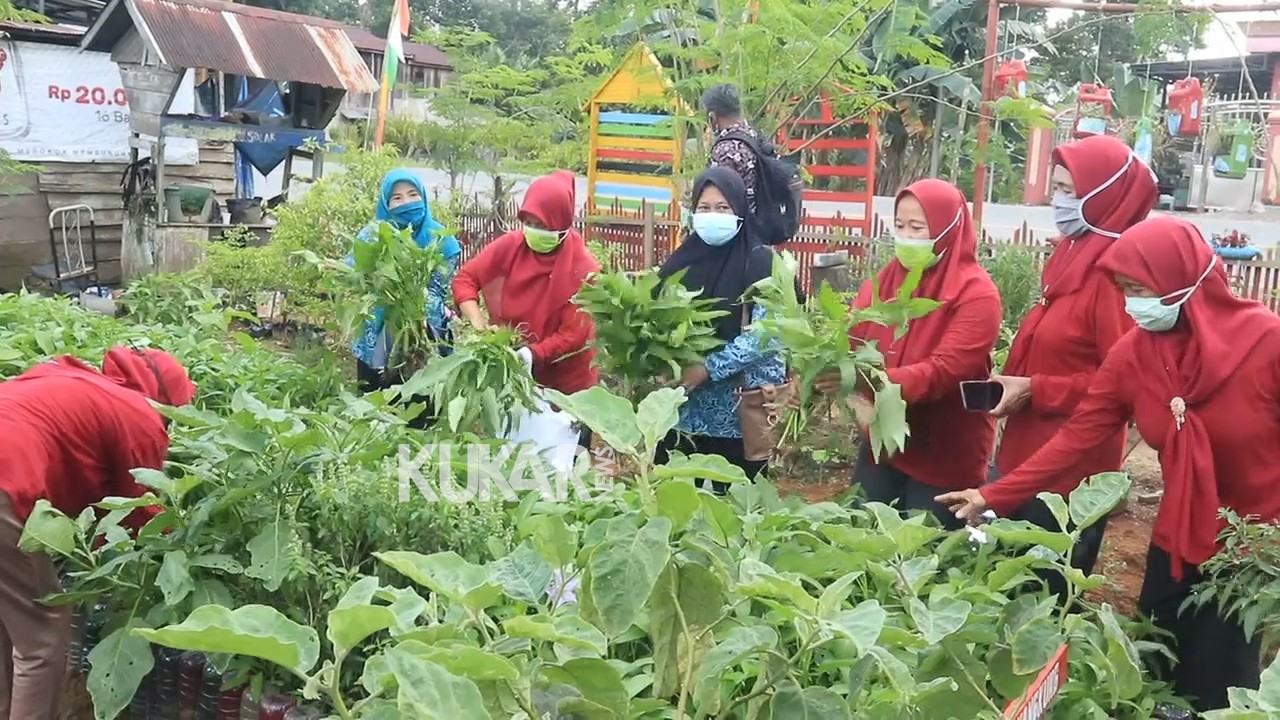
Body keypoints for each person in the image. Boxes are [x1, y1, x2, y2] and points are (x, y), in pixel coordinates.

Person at [937, 216, 1278, 712]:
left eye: (1139, 289)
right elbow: (1078, 437)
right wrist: (994, 493)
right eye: (1123, 290)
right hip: (1178, 538)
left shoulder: (1265, 345)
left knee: (1223, 675)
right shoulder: (1136, 354)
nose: (1130, 304)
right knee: (1157, 661)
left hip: (1249, 549)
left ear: (1181, 279)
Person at [988, 135, 1158, 601]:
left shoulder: (1115, 278)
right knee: (1009, 583)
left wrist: (1037, 388)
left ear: (1104, 196)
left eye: (1069, 191)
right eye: (1056, 189)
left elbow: (1123, 386)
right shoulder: (1071, 253)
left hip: (1071, 471)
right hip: (1027, 450)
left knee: (1043, 594)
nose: (1058, 202)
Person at [0, 347, 197, 720]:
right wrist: (180, 540)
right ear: (164, 398)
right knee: (43, 634)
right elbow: (139, 510)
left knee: (8, 614)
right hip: (4, 479)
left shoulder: (67, 377)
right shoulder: (139, 414)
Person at [819, 179, 1001, 529]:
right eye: (899, 226)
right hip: (883, 442)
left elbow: (944, 371)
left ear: (950, 228)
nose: (905, 237)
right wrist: (820, 372)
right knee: (863, 537)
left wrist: (866, 379)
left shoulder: (977, 294)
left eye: (917, 228)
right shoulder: (886, 282)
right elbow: (851, 341)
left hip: (945, 451)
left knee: (924, 553)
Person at [652, 166, 784, 495]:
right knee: (675, 497)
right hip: (685, 411)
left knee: (737, 505)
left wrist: (708, 368)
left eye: (723, 208)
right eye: (705, 208)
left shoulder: (762, 263)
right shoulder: (681, 263)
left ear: (740, 211)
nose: (713, 216)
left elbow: (764, 335)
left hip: (739, 413)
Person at [453, 170, 599, 449]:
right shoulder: (512, 246)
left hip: (566, 388)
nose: (533, 230)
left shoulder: (584, 269)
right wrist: (478, 322)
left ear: (561, 224)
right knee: (515, 457)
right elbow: (466, 279)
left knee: (563, 463)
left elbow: (574, 335)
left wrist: (532, 354)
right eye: (528, 221)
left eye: (542, 224)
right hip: (518, 381)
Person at [350, 169, 462, 395]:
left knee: (419, 401)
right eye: (397, 198)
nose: (407, 203)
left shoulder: (441, 239)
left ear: (423, 196)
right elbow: (356, 276)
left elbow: (438, 290)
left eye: (413, 195)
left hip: (422, 331)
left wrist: (411, 296)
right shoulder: (372, 236)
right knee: (376, 402)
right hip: (377, 328)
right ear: (386, 203)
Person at [703, 83, 762, 210]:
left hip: (740, 226)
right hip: (761, 224)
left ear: (712, 117)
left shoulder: (725, 151)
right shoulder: (754, 136)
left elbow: (718, 200)